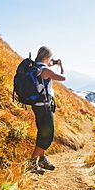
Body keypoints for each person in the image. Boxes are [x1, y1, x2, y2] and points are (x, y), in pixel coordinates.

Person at [28, 46, 65, 174]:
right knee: (47, 136)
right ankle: (32, 162)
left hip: (37, 104)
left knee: (42, 132)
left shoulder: (34, 67)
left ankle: (42, 159)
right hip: (44, 106)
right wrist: (60, 66)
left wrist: (49, 64)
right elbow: (62, 77)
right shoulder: (45, 70)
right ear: (48, 57)